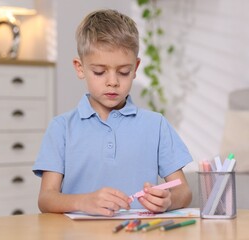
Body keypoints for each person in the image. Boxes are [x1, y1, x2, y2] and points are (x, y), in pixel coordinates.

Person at [32, 9, 193, 217]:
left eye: (123, 72)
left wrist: (168, 200)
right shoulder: (62, 128)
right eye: (99, 72)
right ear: (80, 68)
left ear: (135, 68)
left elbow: (184, 191)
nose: (113, 81)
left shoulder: (156, 125)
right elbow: (46, 198)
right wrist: (84, 201)